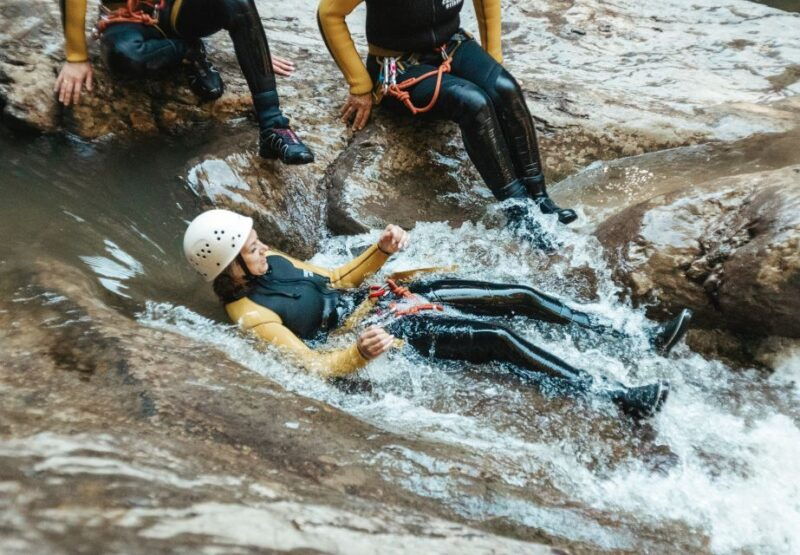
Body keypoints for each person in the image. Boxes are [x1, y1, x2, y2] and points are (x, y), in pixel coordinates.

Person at [183, 209, 693, 419]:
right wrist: (359, 354)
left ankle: (637, 338)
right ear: (229, 267)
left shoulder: (271, 261)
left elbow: (335, 280)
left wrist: (381, 251)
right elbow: (313, 367)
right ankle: (617, 398)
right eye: (250, 247)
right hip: (377, 328)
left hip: (383, 296)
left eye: (256, 240)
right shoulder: (253, 317)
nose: (262, 246)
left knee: (518, 295)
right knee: (496, 337)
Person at [316, 0, 577, 229]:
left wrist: (492, 59)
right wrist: (360, 85)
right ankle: (518, 209)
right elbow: (329, 14)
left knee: (505, 89)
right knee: (473, 103)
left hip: (452, 45)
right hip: (398, 66)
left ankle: (540, 197)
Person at [56, 0, 313, 164]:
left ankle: (273, 126)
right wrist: (76, 56)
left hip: (177, 10)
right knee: (125, 57)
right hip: (125, 19)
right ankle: (188, 51)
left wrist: (251, 45)